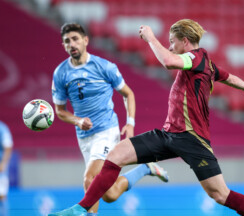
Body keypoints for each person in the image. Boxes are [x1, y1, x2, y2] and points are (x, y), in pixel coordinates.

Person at [49, 19, 244, 216]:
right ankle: (80, 208)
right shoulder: (207, 65)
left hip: (192, 139)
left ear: (184, 41)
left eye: (172, 42)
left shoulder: (195, 56)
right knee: (116, 154)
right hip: (168, 135)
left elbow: (169, 61)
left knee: (220, 195)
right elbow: (229, 77)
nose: (171, 46)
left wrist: (150, 37)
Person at [51, 23, 169, 215]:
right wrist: (78, 121)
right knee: (109, 194)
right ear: (63, 45)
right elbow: (60, 111)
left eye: (75, 39)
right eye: (67, 41)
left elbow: (128, 93)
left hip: (106, 131)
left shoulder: (104, 66)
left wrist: (130, 124)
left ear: (85, 40)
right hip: (84, 136)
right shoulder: (61, 73)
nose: (71, 44)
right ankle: (146, 168)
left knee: (90, 178)